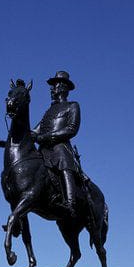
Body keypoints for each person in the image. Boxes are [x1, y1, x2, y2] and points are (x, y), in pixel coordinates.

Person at [31, 70, 83, 218]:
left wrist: (48, 137)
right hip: (44, 148)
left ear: (63, 88)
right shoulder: (49, 111)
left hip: (60, 146)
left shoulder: (72, 106)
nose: (52, 89)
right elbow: (35, 131)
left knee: (61, 155)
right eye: (53, 85)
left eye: (55, 85)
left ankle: (70, 203)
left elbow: (72, 129)